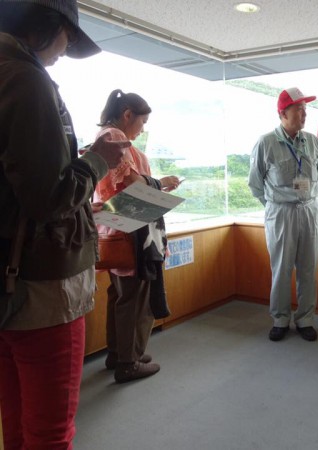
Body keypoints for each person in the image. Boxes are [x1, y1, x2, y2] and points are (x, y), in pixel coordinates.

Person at [0, 1, 129, 448]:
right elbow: (49, 197)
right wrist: (97, 160)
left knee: (14, 417)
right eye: (68, 38)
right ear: (50, 26)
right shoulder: (27, 79)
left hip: (9, 284)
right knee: (51, 431)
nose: (64, 50)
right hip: (42, 287)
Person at [94, 89, 181, 383]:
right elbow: (129, 180)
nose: (143, 129)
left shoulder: (108, 137)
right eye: (142, 122)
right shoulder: (113, 138)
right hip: (128, 228)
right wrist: (161, 182)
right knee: (133, 296)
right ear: (127, 114)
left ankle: (118, 352)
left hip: (115, 227)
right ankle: (128, 362)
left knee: (120, 294)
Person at [248, 87, 318, 342]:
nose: (304, 113)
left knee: (308, 268)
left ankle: (305, 319)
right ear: (283, 112)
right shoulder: (266, 142)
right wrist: (274, 207)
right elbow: (255, 183)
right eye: (298, 108)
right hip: (281, 213)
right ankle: (280, 318)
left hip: (309, 210)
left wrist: (303, 198)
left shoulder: (312, 141)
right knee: (281, 268)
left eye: (305, 108)